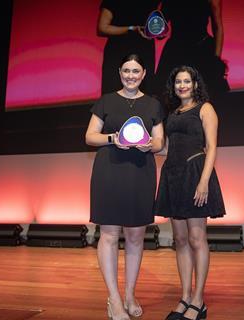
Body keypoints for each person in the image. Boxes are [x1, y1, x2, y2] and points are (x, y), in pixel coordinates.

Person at [85, 54, 165, 320]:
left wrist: (149, 146)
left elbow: (159, 142)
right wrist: (112, 138)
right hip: (109, 171)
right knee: (108, 235)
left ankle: (130, 294)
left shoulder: (153, 104)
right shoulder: (106, 101)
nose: (131, 75)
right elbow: (89, 136)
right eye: (126, 70)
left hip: (140, 171)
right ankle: (114, 298)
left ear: (143, 74)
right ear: (120, 72)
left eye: (136, 71)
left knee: (135, 236)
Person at [155, 66, 226, 320]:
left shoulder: (205, 108)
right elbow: (165, 149)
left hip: (195, 173)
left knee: (197, 239)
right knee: (181, 241)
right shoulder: (172, 114)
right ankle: (185, 297)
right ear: (173, 86)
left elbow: (212, 147)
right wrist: (139, 145)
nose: (182, 85)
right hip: (172, 175)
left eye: (187, 81)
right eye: (178, 82)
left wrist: (204, 181)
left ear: (195, 84)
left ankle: (198, 300)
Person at [155, 0, 229, 100]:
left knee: (205, 98)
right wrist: (155, 28)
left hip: (201, 51)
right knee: (167, 98)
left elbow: (218, 27)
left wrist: (216, 60)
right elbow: (160, 32)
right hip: (176, 51)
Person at [97, 0, 160, 95]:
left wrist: (159, 31)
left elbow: (157, 21)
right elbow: (102, 28)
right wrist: (131, 29)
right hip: (119, 51)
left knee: (143, 94)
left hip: (144, 51)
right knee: (115, 93)